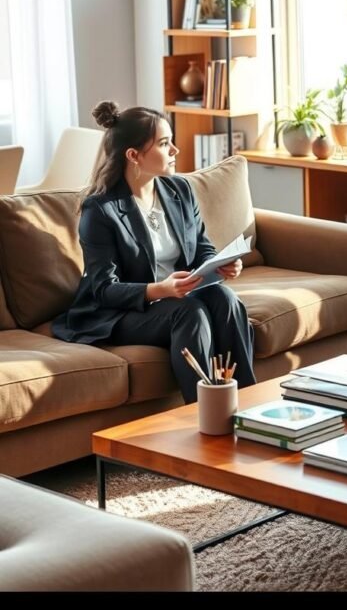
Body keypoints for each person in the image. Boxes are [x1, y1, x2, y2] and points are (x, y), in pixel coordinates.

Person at [52, 100, 256, 402]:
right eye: (164, 143)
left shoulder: (179, 190)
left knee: (225, 299)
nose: (175, 150)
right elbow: (104, 289)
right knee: (190, 312)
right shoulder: (101, 210)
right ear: (133, 155)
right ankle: (203, 412)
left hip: (177, 296)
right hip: (121, 311)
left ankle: (249, 404)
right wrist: (160, 289)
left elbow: (201, 248)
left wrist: (220, 265)